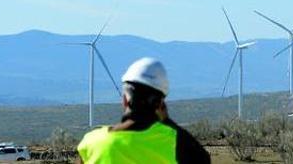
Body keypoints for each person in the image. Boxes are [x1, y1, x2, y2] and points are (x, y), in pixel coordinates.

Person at [77, 57, 210, 164]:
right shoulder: (175, 141)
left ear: (124, 100)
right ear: (160, 104)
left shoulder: (92, 142)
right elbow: (202, 159)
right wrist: (168, 121)